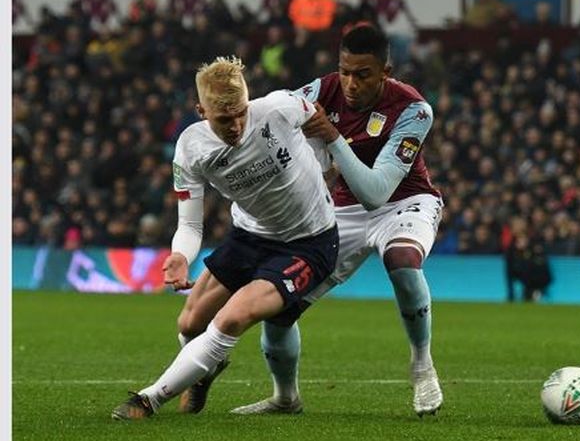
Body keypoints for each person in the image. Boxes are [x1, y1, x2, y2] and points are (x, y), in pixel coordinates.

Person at [232, 24, 444, 417]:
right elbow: (271, 112)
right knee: (279, 308)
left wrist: (332, 136)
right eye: (345, 71)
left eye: (362, 74)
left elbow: (377, 191)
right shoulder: (322, 90)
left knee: (401, 261)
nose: (350, 83)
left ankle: (422, 364)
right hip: (341, 211)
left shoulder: (413, 110)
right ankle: (285, 398)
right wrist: (234, 115)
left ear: (385, 71)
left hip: (404, 203)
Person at [111, 55, 339, 420]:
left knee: (232, 318)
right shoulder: (191, 148)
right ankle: (207, 369)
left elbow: (318, 117)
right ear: (201, 110)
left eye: (240, 114)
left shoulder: (279, 107)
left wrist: (330, 159)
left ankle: (149, 399)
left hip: (308, 241)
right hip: (249, 235)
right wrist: (181, 255)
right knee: (189, 324)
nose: (235, 125)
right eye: (223, 119)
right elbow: (189, 224)